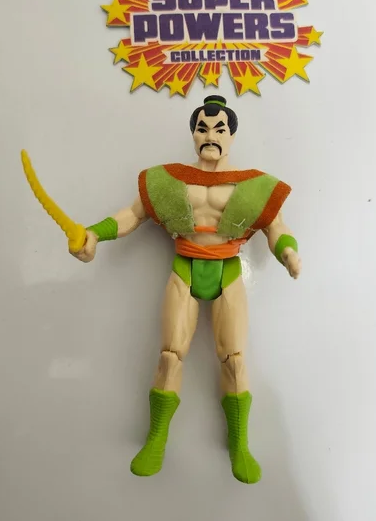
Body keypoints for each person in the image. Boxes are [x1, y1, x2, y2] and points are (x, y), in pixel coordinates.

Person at [74, 95, 301, 484]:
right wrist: (94, 234)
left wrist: (288, 253)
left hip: (227, 270)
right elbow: (132, 214)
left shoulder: (252, 184)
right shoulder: (171, 180)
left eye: (219, 129)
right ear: (193, 134)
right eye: (202, 128)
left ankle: (240, 444)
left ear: (231, 135)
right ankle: (157, 438)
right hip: (185, 267)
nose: (210, 135)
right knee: (169, 357)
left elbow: (276, 226)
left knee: (235, 360)